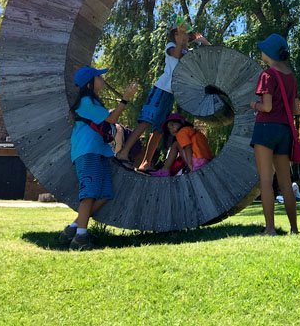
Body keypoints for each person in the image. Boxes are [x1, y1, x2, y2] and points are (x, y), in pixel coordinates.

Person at [60, 66, 138, 250]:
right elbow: (110, 120)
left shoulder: (93, 102)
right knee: (89, 194)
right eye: (98, 77)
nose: (102, 79)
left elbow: (106, 118)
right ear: (89, 83)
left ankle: (73, 229)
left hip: (100, 151)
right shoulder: (86, 101)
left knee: (104, 194)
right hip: (88, 151)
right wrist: (125, 98)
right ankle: (80, 238)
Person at [116, 21, 208, 171]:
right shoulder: (171, 47)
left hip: (171, 94)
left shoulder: (188, 53)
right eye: (181, 34)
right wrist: (179, 42)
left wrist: (204, 42)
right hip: (161, 89)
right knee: (146, 121)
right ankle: (123, 153)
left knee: (159, 129)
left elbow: (207, 58)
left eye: (187, 36)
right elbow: (176, 54)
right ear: (175, 36)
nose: (185, 38)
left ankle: (146, 163)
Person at [249, 33, 299, 235]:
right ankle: (294, 229)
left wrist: (254, 104)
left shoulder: (267, 75)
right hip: (284, 130)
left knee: (266, 180)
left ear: (268, 53)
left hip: (266, 129)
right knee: (286, 183)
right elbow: (296, 109)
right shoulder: (291, 77)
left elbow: (267, 107)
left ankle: (270, 228)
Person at [149, 114, 214, 176]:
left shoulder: (182, 132)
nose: (171, 129)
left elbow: (187, 147)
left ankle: (165, 171)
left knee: (176, 144)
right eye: (169, 129)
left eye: (172, 124)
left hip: (197, 162)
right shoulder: (192, 131)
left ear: (181, 122)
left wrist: (189, 164)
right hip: (207, 160)